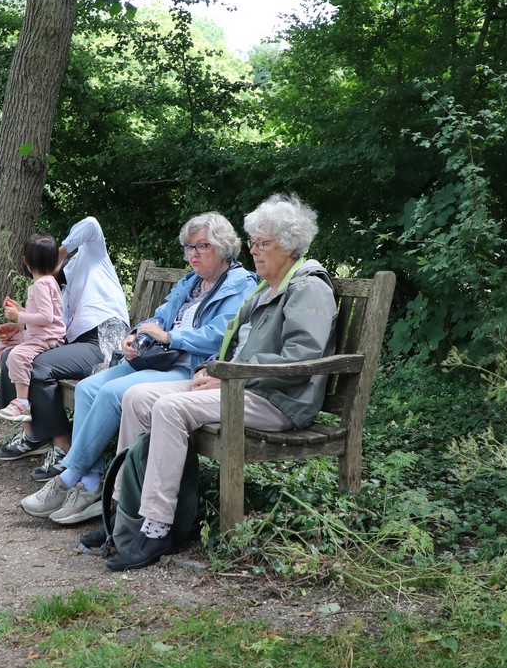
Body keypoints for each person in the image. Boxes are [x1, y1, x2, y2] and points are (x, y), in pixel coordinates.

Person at [100, 193, 336, 571]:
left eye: (263, 243)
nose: (253, 250)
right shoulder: (265, 288)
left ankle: (158, 528)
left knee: (169, 407)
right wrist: (213, 368)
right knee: (137, 397)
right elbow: (237, 348)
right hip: (242, 386)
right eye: (253, 242)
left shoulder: (308, 288)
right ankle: (124, 516)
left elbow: (301, 360)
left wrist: (227, 377)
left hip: (278, 399)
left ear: (289, 245)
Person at [19, 212, 256, 526]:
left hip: (190, 369)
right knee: (88, 388)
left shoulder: (240, 284)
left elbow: (218, 335)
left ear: (223, 247)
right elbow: (159, 317)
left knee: (111, 393)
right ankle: (90, 484)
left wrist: (170, 337)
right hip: (157, 358)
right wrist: (137, 335)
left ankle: (70, 476)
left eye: (202, 246)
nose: (193, 254)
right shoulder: (191, 283)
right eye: (189, 248)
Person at [0, 216, 129, 469]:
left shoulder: (90, 256)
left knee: (37, 365)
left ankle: (65, 447)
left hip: (104, 341)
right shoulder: (56, 289)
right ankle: (34, 435)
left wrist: (60, 252)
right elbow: (53, 329)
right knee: (10, 354)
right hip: (77, 345)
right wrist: (20, 327)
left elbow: (91, 224)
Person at [0, 234, 68, 422]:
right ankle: (10, 382)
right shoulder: (49, 281)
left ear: (25, 261)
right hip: (39, 333)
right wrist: (20, 310)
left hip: (46, 338)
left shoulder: (41, 285)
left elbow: (46, 317)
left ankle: (22, 404)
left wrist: (18, 316)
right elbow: (42, 314)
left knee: (17, 355)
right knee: (4, 344)